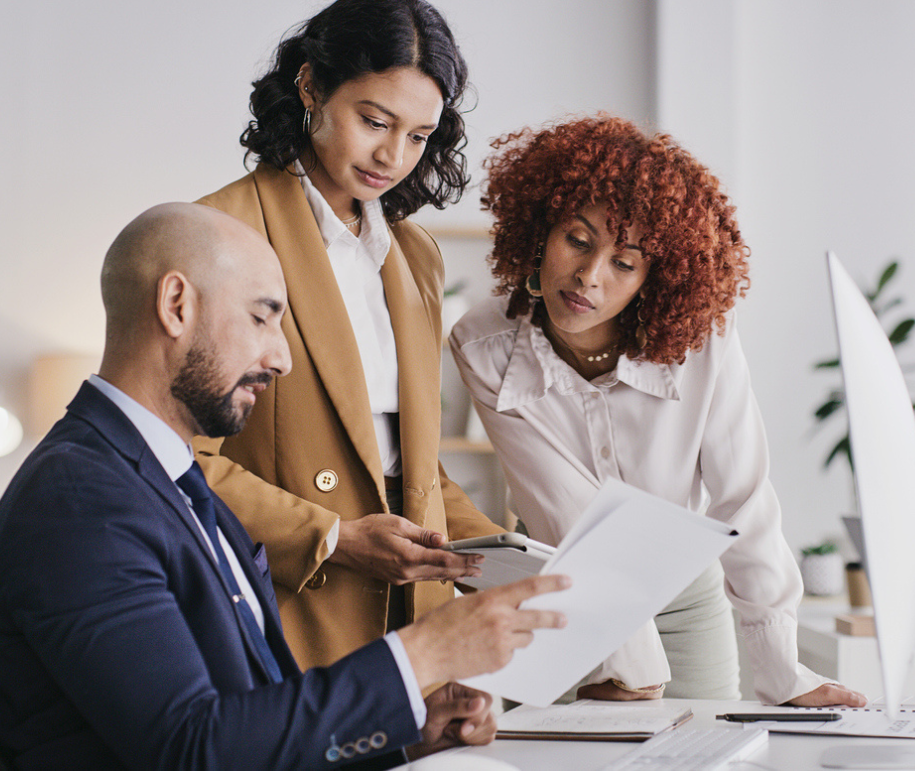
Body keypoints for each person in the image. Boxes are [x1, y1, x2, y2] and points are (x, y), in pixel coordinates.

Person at [0, 203, 570, 770]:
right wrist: (421, 655)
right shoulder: (76, 499)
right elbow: (190, 750)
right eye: (262, 316)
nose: (282, 357)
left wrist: (405, 736)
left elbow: (247, 730)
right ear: (176, 306)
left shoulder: (173, 479)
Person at [449, 116, 867, 707]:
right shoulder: (483, 344)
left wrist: (782, 672)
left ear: (655, 278)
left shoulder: (704, 341)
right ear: (542, 228)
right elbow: (561, 508)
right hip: (560, 593)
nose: (589, 276)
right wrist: (627, 668)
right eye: (578, 239)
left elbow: (742, 498)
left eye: (624, 262)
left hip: (686, 598)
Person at [194, 0, 506, 672]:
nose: (393, 155)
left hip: (412, 614)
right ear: (310, 85)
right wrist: (332, 536)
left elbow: (408, 465)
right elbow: (179, 460)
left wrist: (514, 561)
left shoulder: (415, 255)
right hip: (288, 605)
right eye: (374, 120)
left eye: (419, 136)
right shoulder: (222, 235)